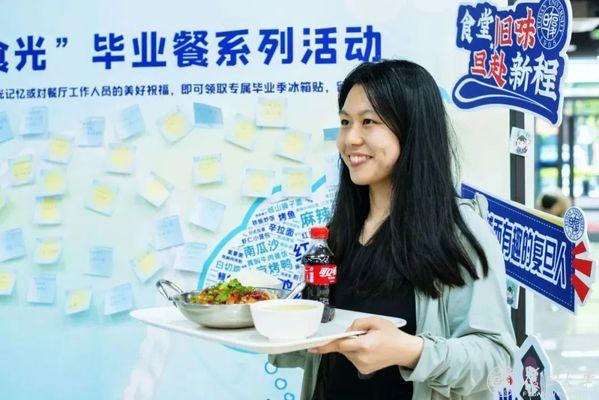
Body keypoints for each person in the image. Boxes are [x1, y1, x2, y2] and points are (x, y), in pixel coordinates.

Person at [269, 60, 516, 400]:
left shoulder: (457, 232)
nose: (350, 139)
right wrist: (270, 321)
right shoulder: (340, 230)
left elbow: (497, 361)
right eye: (345, 122)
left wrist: (411, 351)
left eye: (368, 122)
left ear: (411, 129)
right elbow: (324, 344)